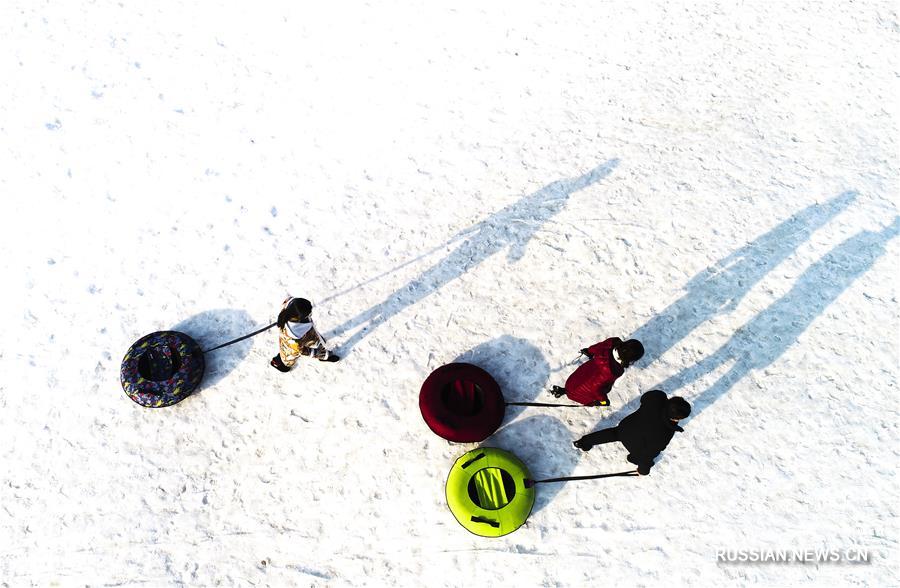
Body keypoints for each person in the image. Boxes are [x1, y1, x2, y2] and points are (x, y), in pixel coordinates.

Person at [573, 391, 691, 475]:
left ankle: (583, 442)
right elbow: (648, 455)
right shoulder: (665, 433)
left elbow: (644, 398)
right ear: (676, 418)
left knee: (612, 434)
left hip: (627, 426)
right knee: (644, 454)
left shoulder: (658, 397)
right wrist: (643, 470)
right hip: (634, 444)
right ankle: (632, 458)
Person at [550, 338, 644, 406]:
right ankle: (565, 392)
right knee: (585, 396)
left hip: (576, 378)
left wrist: (589, 351)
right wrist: (603, 400)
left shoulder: (612, 343)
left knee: (574, 383)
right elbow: (596, 389)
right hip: (582, 392)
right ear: (630, 360)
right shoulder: (613, 371)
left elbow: (596, 347)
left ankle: (563, 390)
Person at [270, 296, 339, 372]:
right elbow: (302, 351)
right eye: (309, 313)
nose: (311, 314)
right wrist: (320, 354)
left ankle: (317, 345)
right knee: (288, 357)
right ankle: (279, 362)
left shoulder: (292, 305)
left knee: (317, 341)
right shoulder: (293, 340)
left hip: (304, 332)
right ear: (298, 317)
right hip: (292, 343)